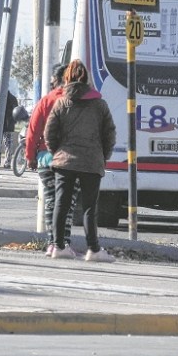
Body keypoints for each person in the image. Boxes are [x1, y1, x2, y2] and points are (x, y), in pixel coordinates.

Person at [44, 60, 117, 262]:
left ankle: (59, 246)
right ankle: (93, 249)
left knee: (61, 204)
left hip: (64, 162)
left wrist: (58, 152)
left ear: (66, 78)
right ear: (86, 79)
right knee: (89, 208)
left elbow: (49, 133)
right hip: (91, 162)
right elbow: (110, 134)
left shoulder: (61, 103)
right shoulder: (100, 105)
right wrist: (103, 156)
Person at [27, 64, 80, 256]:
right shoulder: (79, 102)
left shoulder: (46, 100)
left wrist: (30, 157)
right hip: (72, 160)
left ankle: (53, 244)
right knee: (68, 204)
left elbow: (33, 131)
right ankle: (64, 243)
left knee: (51, 201)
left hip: (46, 159)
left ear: (56, 80)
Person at [0, 90, 18, 169]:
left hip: (2, 124)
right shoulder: (13, 98)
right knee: (8, 145)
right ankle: (7, 162)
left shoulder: (0, 98)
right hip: (9, 125)